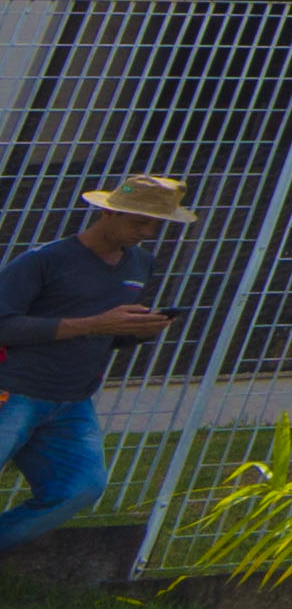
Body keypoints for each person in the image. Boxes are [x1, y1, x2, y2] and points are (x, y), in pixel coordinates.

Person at [0, 174, 192, 557]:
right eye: (139, 221)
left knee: (81, 487)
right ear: (107, 211)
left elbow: (106, 332)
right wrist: (97, 324)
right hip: (13, 392)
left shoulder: (141, 264)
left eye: (157, 223)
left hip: (73, 401)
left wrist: (137, 331)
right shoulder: (44, 260)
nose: (149, 231)